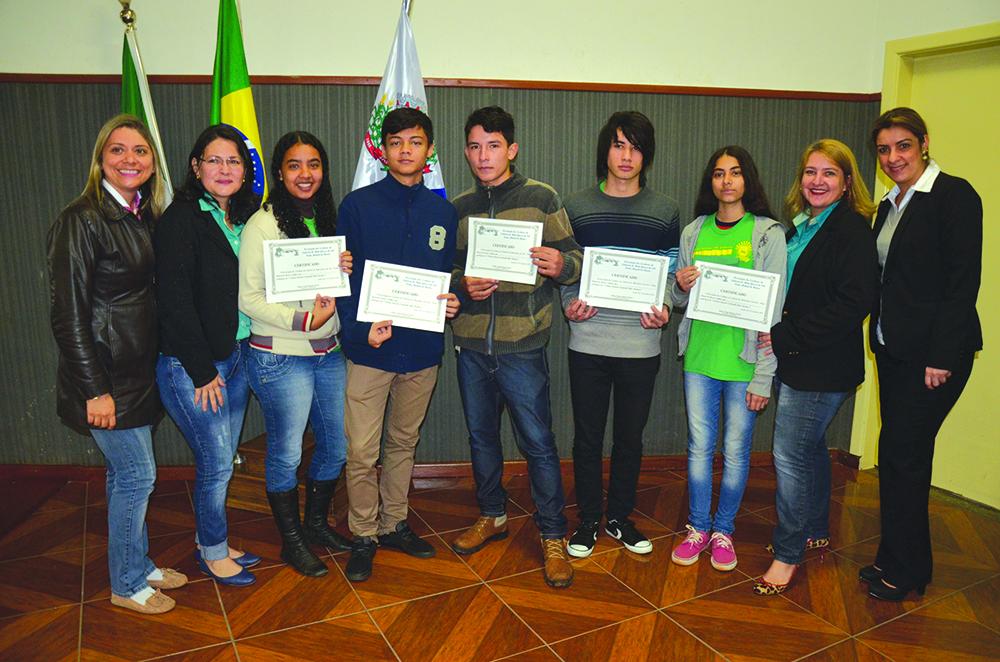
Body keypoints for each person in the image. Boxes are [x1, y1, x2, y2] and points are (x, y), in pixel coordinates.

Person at [48, 114, 187, 614]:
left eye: (140, 151)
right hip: (106, 379)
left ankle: (138, 560)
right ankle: (126, 584)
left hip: (135, 373)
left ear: (152, 162)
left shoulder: (138, 213)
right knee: (137, 477)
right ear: (100, 159)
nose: (130, 160)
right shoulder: (82, 219)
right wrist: (94, 389)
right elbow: (68, 315)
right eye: (118, 150)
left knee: (124, 477)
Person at [450, 106, 582, 589]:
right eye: (474, 146)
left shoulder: (540, 197)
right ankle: (492, 515)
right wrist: (463, 284)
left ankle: (552, 535)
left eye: (493, 145)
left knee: (538, 443)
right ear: (466, 151)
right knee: (482, 438)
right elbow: (445, 276)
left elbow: (575, 260)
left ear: (512, 149)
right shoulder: (458, 206)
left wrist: (558, 265)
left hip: (522, 346)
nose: (483, 155)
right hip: (470, 345)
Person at [862, 107, 982, 601]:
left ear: (924, 143)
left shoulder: (954, 195)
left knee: (905, 457)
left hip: (934, 357)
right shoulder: (890, 203)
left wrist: (943, 355)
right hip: (894, 351)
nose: (893, 158)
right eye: (885, 150)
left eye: (903, 146)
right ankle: (898, 559)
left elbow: (961, 284)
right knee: (897, 456)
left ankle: (907, 572)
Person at [335, 108, 459, 582]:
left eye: (415, 142)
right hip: (370, 349)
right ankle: (363, 533)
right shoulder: (357, 205)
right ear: (382, 150)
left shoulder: (442, 212)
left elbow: (448, 275)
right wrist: (355, 329)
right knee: (362, 450)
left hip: (422, 349)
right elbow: (341, 278)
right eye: (396, 142)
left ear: (430, 151)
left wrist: (453, 299)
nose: (405, 150)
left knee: (403, 442)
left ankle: (394, 523)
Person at [754, 139, 879, 595]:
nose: (817, 181)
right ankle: (813, 527)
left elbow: (854, 303)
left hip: (821, 365)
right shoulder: (799, 228)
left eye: (829, 173)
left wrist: (787, 337)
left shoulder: (851, 230)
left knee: (788, 454)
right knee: (808, 449)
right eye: (810, 172)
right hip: (800, 360)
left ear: (847, 182)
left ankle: (788, 554)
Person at [561, 111, 679, 559]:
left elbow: (669, 272)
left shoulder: (664, 210)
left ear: (645, 155)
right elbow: (569, 268)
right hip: (588, 340)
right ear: (604, 151)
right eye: (618, 145)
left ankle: (619, 518)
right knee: (587, 437)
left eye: (635, 147)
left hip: (641, 343)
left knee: (630, 437)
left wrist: (666, 307)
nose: (626, 156)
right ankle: (589, 519)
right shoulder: (576, 206)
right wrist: (570, 303)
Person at [239, 131, 354, 578]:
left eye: (313, 165)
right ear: (278, 171)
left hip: (328, 352)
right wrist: (301, 322)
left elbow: (328, 292)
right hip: (281, 354)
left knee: (335, 446)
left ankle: (315, 525)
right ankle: (291, 542)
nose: (305, 174)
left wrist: (342, 270)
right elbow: (249, 298)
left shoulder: (327, 218)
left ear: (323, 170)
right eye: (294, 165)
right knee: (286, 453)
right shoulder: (262, 223)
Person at [669, 146, 786, 572]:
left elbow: (774, 313)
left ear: (747, 180)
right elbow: (678, 298)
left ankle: (723, 531)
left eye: (735, 173)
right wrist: (679, 286)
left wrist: (764, 376)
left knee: (736, 452)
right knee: (700, 447)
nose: (727, 181)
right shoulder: (693, 232)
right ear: (711, 182)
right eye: (719, 174)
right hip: (699, 359)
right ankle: (697, 528)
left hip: (745, 364)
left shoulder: (768, 235)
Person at [155, 125, 262, 587]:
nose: (224, 169)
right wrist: (201, 372)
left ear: (245, 171)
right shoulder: (181, 219)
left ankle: (211, 539)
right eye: (213, 160)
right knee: (217, 461)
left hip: (235, 356)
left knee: (221, 458)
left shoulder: (244, 218)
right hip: (195, 366)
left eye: (233, 161)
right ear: (196, 167)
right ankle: (212, 552)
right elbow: (174, 300)